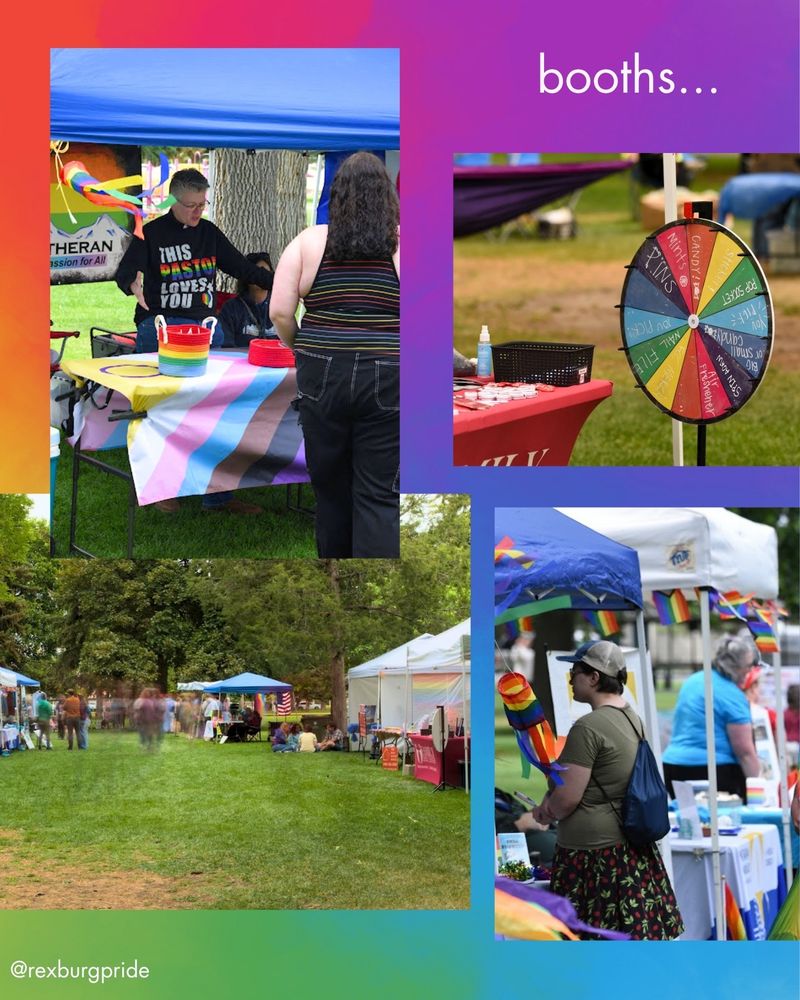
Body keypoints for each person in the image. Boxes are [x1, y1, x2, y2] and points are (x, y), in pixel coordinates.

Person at [115, 168, 274, 516]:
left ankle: (216, 495)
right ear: (174, 202)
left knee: (215, 409)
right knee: (158, 410)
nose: (198, 212)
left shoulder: (210, 234)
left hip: (204, 330)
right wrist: (133, 285)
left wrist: (283, 282)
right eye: (191, 206)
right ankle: (159, 489)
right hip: (158, 329)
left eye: (203, 204)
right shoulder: (151, 234)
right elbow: (124, 273)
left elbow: (243, 269)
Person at [270, 151, 400, 558]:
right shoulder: (405, 243)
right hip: (390, 373)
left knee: (329, 486)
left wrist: (299, 348)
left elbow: (278, 311)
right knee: (380, 492)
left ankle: (336, 567)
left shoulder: (309, 241)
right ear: (388, 197)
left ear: (336, 194)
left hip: (321, 369)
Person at [530, 640, 683, 940]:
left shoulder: (588, 727)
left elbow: (566, 799)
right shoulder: (631, 716)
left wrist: (545, 810)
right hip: (627, 850)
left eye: (576, 670)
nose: (571, 677)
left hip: (595, 858)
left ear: (595, 677)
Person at [663, 635, 761, 801]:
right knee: (723, 824)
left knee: (689, 823)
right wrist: (758, 787)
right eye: (750, 665)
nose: (751, 670)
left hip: (674, 766)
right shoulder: (732, 695)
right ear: (737, 666)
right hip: (712, 771)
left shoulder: (694, 680)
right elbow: (745, 752)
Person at [218, 252, 277, 347]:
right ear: (247, 274)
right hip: (241, 360)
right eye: (256, 272)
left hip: (276, 360)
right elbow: (226, 346)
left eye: (265, 272)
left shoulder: (280, 307)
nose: (261, 276)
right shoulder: (231, 308)